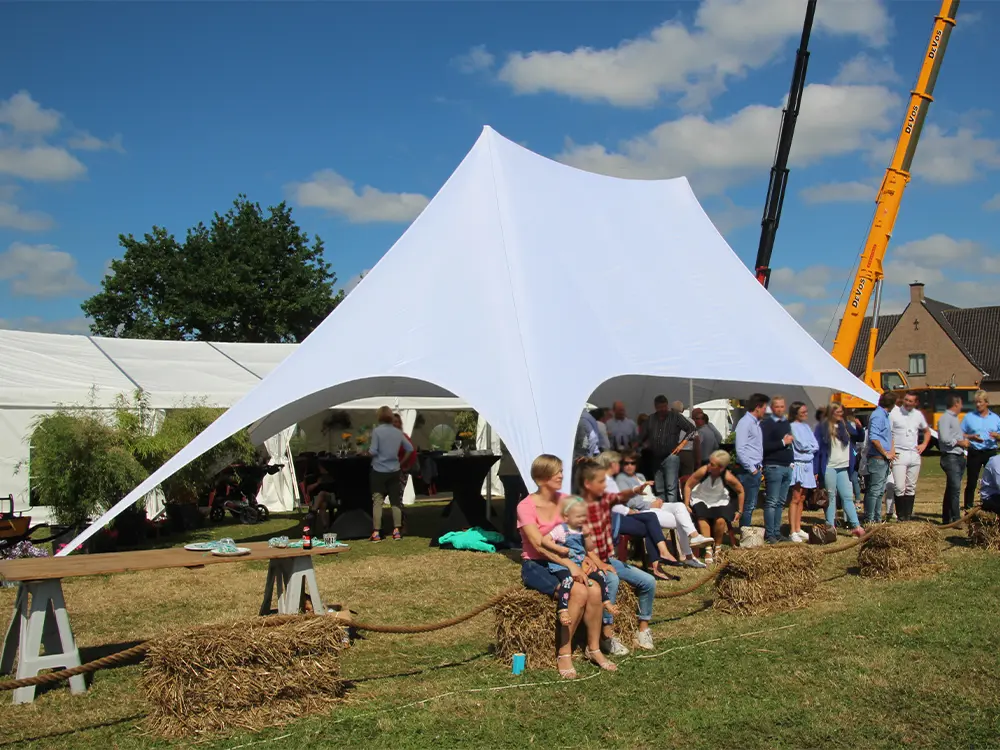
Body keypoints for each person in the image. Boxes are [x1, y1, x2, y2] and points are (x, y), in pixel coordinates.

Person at [516, 455, 609, 678]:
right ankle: (564, 652)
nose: (561, 475)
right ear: (541, 478)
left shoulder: (566, 500)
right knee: (578, 591)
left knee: (594, 591)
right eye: (555, 472)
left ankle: (593, 648)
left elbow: (579, 531)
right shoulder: (525, 506)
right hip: (537, 563)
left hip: (566, 562)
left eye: (560, 471)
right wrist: (570, 564)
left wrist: (586, 558)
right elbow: (538, 544)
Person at [577, 458, 658, 654]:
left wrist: (636, 491)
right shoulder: (578, 508)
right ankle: (606, 635)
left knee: (648, 581)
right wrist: (601, 565)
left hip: (606, 559)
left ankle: (643, 629)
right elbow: (585, 547)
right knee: (611, 579)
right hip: (587, 561)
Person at [611, 449, 713, 569]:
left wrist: (658, 500)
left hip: (655, 505)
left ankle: (694, 537)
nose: (629, 466)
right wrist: (649, 505)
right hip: (643, 511)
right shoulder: (621, 479)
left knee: (680, 506)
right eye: (626, 463)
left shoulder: (640, 476)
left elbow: (650, 494)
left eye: (632, 463)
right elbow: (629, 501)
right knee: (681, 519)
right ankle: (689, 555)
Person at [594, 451, 682, 581]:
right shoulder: (602, 481)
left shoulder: (609, 480)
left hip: (618, 514)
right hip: (611, 519)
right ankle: (658, 564)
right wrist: (631, 511)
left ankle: (662, 555)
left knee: (651, 517)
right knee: (649, 527)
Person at [541, 496, 616, 625]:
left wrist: (587, 536)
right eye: (578, 517)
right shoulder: (561, 529)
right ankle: (563, 608)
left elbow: (590, 548)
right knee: (567, 581)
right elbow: (544, 540)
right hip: (564, 564)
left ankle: (606, 601)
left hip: (580, 564)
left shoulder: (582, 531)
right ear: (566, 517)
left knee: (600, 575)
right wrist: (558, 548)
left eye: (584, 516)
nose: (582, 520)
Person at [814, 403, 865, 537]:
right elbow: (817, 450)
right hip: (830, 466)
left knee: (847, 497)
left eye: (841, 412)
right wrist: (815, 471)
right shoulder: (822, 427)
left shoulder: (845, 425)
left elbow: (859, 438)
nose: (840, 414)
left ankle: (856, 526)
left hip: (844, 466)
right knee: (830, 497)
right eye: (837, 412)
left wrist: (860, 428)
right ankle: (830, 526)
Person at [683, 451, 745, 554]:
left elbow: (740, 491)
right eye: (709, 462)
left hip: (719, 498)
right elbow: (688, 485)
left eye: (712, 464)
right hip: (701, 496)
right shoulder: (703, 470)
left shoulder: (727, 476)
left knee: (720, 520)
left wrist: (740, 511)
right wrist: (686, 504)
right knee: (702, 516)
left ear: (721, 468)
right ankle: (708, 549)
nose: (709, 465)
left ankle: (717, 547)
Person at [369, 405, 414, 542]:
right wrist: (401, 462)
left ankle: (376, 532)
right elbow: (410, 448)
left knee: (377, 501)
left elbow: (373, 451)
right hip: (394, 470)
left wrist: (366, 452)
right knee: (395, 502)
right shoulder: (397, 432)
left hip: (378, 470)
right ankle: (397, 531)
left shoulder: (377, 431)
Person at [639, 395, 695, 505]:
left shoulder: (675, 416)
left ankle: (673, 510)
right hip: (655, 456)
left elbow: (691, 429)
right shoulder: (651, 419)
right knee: (659, 487)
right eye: (660, 407)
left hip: (671, 455)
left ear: (667, 405)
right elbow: (641, 436)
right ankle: (663, 512)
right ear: (655, 407)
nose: (662, 410)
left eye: (664, 407)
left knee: (671, 487)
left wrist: (681, 444)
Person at [889, 391, 930, 521]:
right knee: (899, 486)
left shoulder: (918, 415)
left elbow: (927, 431)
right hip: (899, 454)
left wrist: (924, 445)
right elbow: (889, 434)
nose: (907, 403)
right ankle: (900, 516)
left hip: (914, 454)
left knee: (911, 486)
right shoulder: (894, 414)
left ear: (915, 403)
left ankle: (908, 516)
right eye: (906, 400)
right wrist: (892, 451)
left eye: (910, 401)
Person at [760, 395, 794, 543]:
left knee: (781, 502)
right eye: (777, 406)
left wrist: (791, 460)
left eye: (782, 406)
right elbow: (764, 446)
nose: (780, 409)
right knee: (772, 501)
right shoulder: (766, 424)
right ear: (772, 408)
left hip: (787, 466)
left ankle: (777, 531)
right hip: (773, 466)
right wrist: (782, 442)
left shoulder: (786, 423)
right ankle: (770, 534)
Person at [961, 391, 1000, 511]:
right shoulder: (969, 417)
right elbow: (960, 433)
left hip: (991, 452)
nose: (978, 405)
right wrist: (971, 437)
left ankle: (993, 501)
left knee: (995, 478)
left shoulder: (995, 418)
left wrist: (997, 436)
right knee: (972, 481)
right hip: (975, 452)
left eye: (980, 402)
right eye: (976, 402)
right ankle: (968, 506)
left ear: (986, 403)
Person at [735, 393, 769, 528]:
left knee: (751, 504)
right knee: (747, 504)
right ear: (757, 407)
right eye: (764, 408)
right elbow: (740, 449)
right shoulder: (745, 423)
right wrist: (752, 469)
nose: (765, 411)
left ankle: (745, 530)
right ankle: (745, 532)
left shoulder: (756, 423)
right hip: (747, 471)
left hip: (754, 468)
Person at [787, 401, 819, 543]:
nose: (806, 414)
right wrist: (809, 447)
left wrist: (809, 448)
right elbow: (800, 445)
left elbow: (815, 445)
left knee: (802, 498)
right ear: (796, 413)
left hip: (808, 464)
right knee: (795, 497)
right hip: (798, 464)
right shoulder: (792, 427)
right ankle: (792, 530)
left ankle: (798, 527)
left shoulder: (806, 427)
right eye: (803, 412)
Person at [863, 391, 897, 523]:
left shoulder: (884, 416)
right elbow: (874, 438)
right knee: (874, 490)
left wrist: (891, 453)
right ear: (892, 404)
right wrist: (885, 453)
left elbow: (887, 437)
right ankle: (870, 519)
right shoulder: (878, 416)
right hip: (877, 458)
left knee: (879, 491)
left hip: (884, 459)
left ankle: (877, 518)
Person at [937, 394, 969, 524]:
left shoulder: (954, 419)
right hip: (950, 457)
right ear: (956, 404)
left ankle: (947, 517)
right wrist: (960, 443)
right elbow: (945, 438)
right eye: (960, 404)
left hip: (958, 456)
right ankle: (956, 518)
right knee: (955, 488)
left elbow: (955, 435)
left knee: (951, 488)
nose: (962, 406)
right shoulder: (945, 418)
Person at [392, 412, 418, 504]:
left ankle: (400, 516)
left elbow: (411, 451)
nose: (394, 424)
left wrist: (402, 464)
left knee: (397, 496)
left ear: (400, 424)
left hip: (401, 471)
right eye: (392, 422)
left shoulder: (403, 437)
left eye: (396, 422)